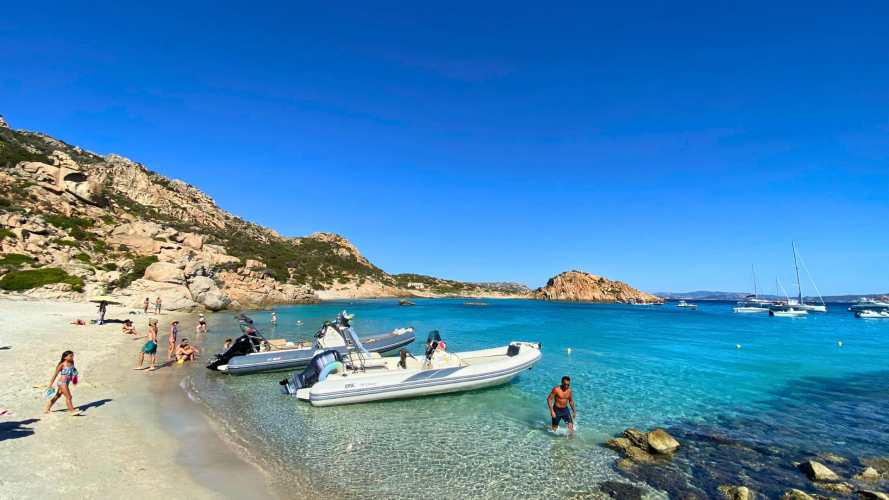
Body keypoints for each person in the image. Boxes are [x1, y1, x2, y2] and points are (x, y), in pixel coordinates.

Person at [45, 350, 81, 415]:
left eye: (72, 356)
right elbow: (55, 375)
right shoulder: (61, 365)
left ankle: (47, 408)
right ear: (65, 357)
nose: (72, 357)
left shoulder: (72, 362)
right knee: (69, 397)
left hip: (67, 383)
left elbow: (73, 369)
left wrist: (75, 373)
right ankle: (72, 411)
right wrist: (51, 384)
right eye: (70, 356)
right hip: (62, 383)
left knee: (57, 395)